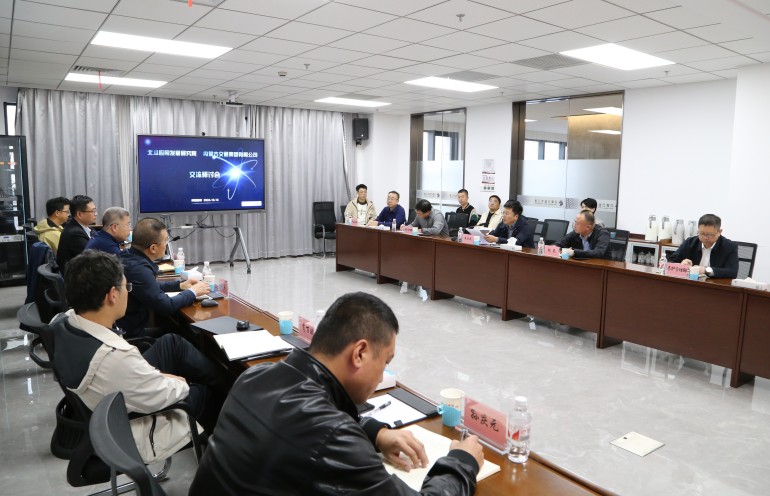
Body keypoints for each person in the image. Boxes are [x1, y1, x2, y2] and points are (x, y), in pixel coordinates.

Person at [189, 292, 483, 495]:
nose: (382, 375)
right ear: (360, 353)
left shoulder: (255, 376)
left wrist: (377, 433)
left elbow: (304, 424)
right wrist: (461, 462)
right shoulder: (332, 434)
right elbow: (322, 431)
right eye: (385, 362)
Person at [51, 250, 231, 463]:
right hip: (131, 427)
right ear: (112, 295)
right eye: (126, 287)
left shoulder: (63, 321)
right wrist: (179, 381)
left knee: (171, 343)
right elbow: (169, 392)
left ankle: (228, 384)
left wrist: (159, 376)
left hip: (115, 389)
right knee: (206, 394)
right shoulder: (116, 358)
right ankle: (230, 414)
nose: (128, 292)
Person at [117, 217, 209, 338]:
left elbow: (149, 287)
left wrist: (180, 285)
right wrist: (193, 292)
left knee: (180, 329)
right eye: (166, 240)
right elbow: (166, 306)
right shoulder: (139, 270)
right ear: (153, 248)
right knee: (185, 337)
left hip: (129, 330)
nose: (167, 244)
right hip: (134, 338)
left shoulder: (128, 255)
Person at [667, 213, 738, 278]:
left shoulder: (730, 247)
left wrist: (705, 270)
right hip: (691, 283)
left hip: (715, 285)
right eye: (701, 233)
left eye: (709, 234)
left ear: (719, 232)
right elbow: (670, 262)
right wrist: (681, 265)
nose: (705, 237)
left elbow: (732, 272)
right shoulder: (690, 242)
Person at [56, 194, 98, 272]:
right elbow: (93, 259)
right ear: (79, 214)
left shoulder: (83, 227)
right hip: (76, 275)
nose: (96, 214)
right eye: (93, 211)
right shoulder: (74, 234)